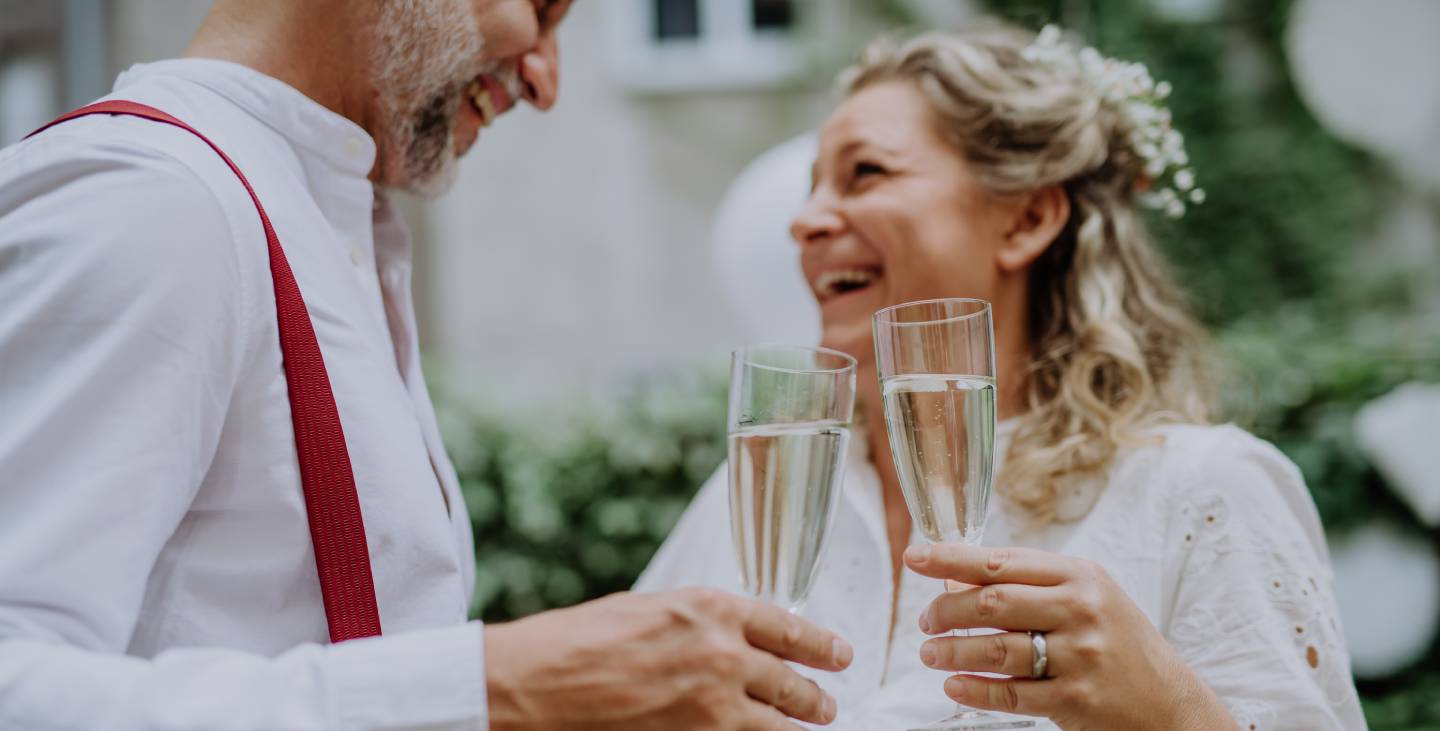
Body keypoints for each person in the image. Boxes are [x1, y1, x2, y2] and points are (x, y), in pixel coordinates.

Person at [0, 1, 852, 729]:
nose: (545, 81)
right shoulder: (154, 201)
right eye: (543, 8)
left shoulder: (335, 216)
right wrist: (499, 683)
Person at [638, 22, 1367, 731]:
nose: (805, 220)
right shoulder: (756, 493)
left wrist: (1164, 710)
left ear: (1026, 220)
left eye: (866, 172)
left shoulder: (1202, 493)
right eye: (811, 189)